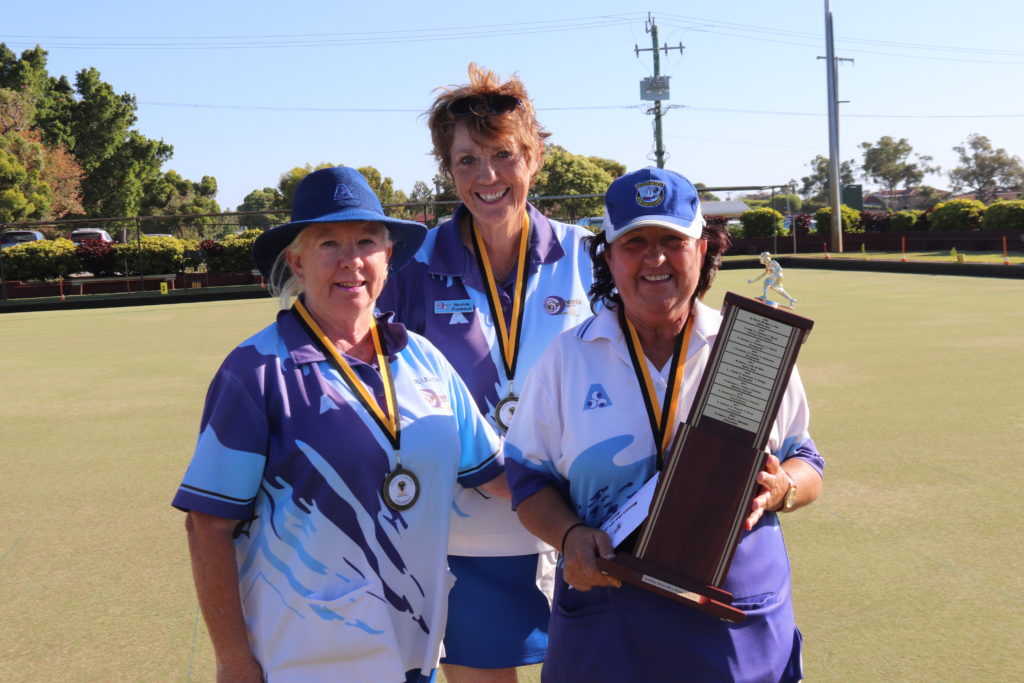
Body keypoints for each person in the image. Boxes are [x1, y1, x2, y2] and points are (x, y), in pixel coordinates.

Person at [172, 167, 508, 683]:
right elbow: (208, 527)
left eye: (367, 242)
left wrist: (612, 506)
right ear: (297, 262)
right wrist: (234, 662)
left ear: (388, 256)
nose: (351, 261)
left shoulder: (423, 358)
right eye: (328, 242)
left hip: (413, 649)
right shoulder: (255, 369)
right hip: (303, 659)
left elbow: (496, 474)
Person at [504, 167, 825, 682]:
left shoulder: (750, 347)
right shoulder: (567, 358)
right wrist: (569, 537)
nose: (655, 258)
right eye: (634, 242)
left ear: (702, 250)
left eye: (672, 240)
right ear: (609, 256)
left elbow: (805, 461)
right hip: (609, 617)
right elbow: (528, 480)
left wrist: (783, 487)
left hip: (732, 623)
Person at [377, 64, 594, 683]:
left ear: (534, 157)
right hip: (460, 541)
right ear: (448, 171)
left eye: (503, 155)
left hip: (582, 527)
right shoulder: (411, 265)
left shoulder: (588, 257)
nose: (487, 176)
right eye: (466, 160)